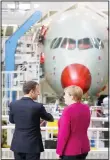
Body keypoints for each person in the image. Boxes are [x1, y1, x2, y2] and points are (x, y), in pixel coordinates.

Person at [9, 81, 54, 160]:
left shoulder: (13, 104)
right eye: (37, 91)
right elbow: (50, 118)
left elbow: (12, 121)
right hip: (33, 145)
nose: (39, 93)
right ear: (31, 91)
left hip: (18, 144)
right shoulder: (38, 106)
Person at [56, 86, 91, 160]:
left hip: (70, 150)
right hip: (83, 147)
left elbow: (64, 133)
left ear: (71, 97)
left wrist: (59, 151)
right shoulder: (86, 108)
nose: (64, 97)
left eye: (65, 94)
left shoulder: (68, 110)